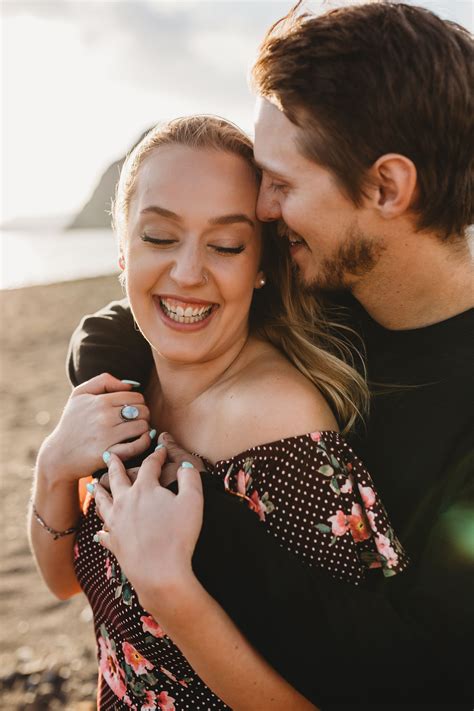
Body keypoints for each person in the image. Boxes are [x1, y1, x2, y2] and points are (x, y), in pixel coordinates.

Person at [67, 2, 474, 706]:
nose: (260, 207)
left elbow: (416, 678)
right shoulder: (318, 283)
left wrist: (195, 509)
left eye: (281, 183)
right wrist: (129, 417)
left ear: (387, 187)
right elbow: (113, 325)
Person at [30, 115, 409, 710]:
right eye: (158, 237)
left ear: (259, 263)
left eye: (225, 245)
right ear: (122, 251)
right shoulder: (126, 380)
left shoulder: (281, 429)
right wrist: (53, 467)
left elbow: (359, 692)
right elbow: (61, 581)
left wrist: (170, 590)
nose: (187, 273)